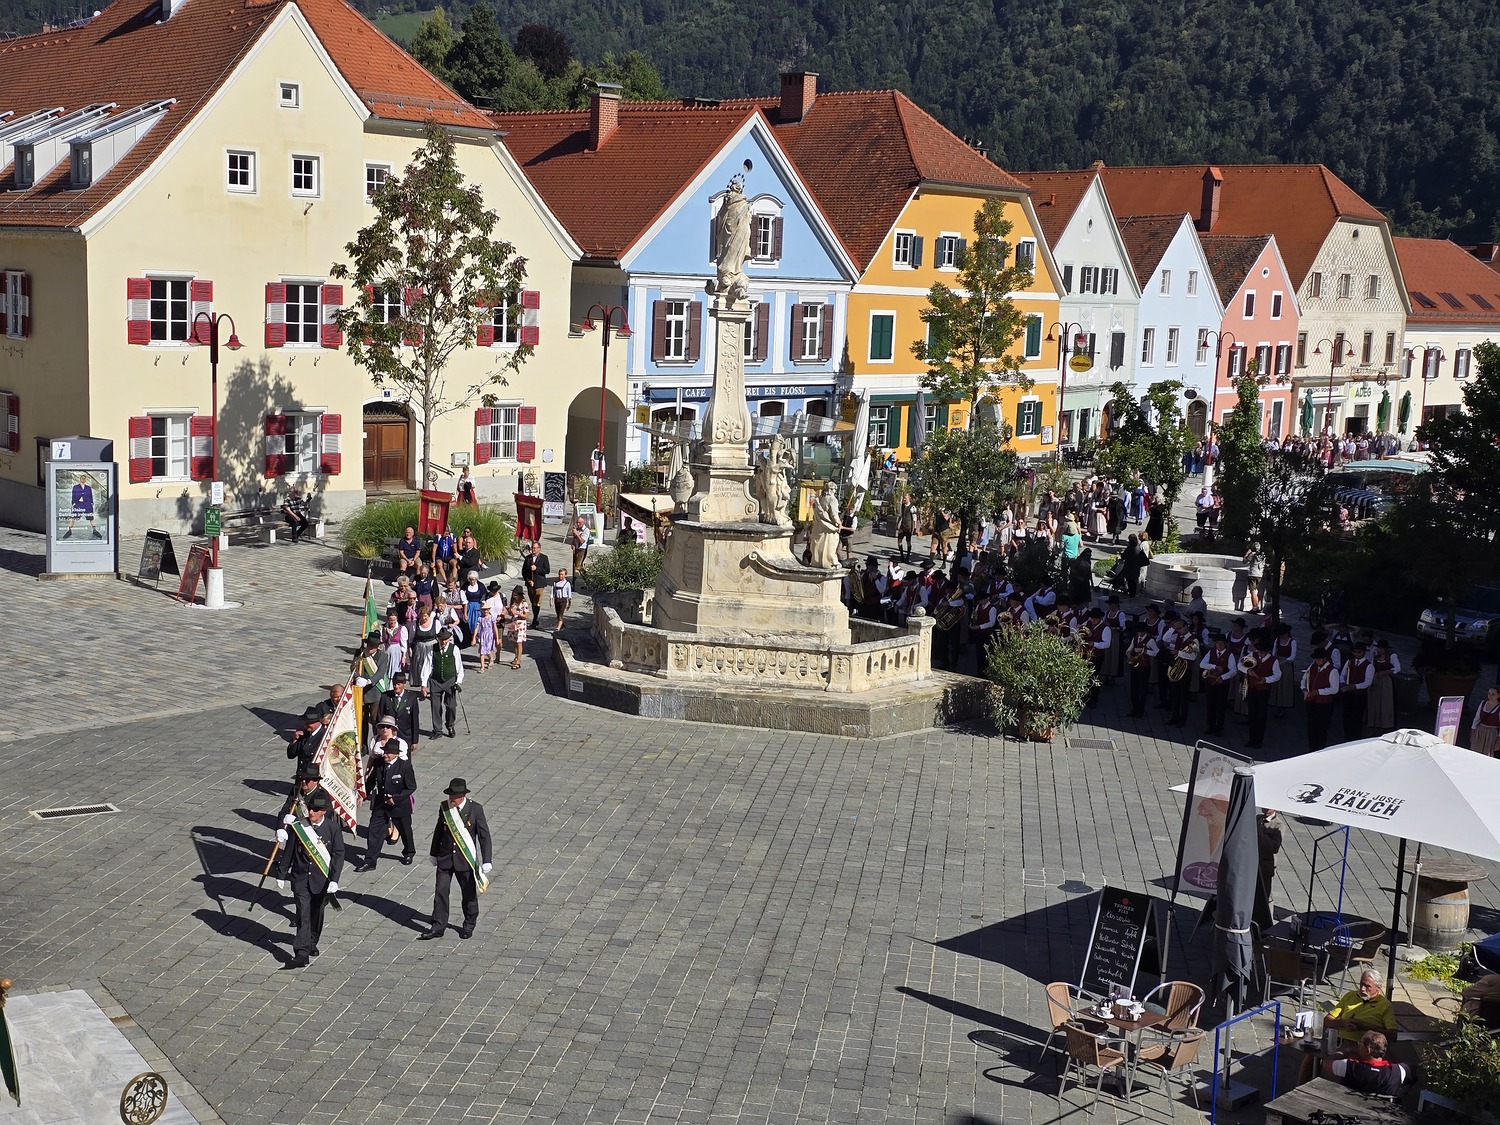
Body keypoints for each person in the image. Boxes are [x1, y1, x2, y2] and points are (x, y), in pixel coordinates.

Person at [419, 778, 493, 941]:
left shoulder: (475, 809)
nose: (451, 799)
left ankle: (469, 924)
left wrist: (487, 859)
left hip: (464, 860)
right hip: (445, 857)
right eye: (450, 795)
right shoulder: (445, 808)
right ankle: (438, 926)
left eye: (454, 796)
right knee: (441, 892)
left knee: (468, 894)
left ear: (462, 796)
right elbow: (439, 831)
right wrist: (433, 853)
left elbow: (484, 836)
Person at [276, 790, 343, 968]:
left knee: (316, 913)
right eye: (310, 808)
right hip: (300, 878)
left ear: (323, 811)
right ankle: (301, 952)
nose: (311, 812)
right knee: (302, 914)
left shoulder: (333, 828)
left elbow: (338, 855)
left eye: (315, 810)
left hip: (321, 880)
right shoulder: (300, 827)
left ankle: (312, 941)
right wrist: (281, 873)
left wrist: (334, 879)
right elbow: (289, 851)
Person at [357, 731, 415, 870]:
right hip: (381, 804)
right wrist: (363, 795)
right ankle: (370, 861)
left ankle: (409, 853)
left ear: (395, 754)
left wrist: (395, 799)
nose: (385, 755)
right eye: (384, 752)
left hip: (399, 806)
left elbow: (411, 787)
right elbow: (371, 782)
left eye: (388, 753)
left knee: (405, 830)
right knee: (374, 831)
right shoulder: (379, 764)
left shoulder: (404, 766)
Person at [1321, 1031, 1408, 1095]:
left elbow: (1327, 1063)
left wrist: (1347, 1051)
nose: (1358, 1046)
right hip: (1379, 1112)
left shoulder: (1351, 1067)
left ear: (1368, 1050)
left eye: (1360, 1044)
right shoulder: (1398, 1071)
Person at [1325, 970, 1398, 1045]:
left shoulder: (1385, 1005)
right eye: (1361, 984)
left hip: (1366, 1046)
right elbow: (1327, 1020)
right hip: (1341, 1042)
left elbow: (1393, 1035)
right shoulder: (1350, 996)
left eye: (1367, 986)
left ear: (1378, 987)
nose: (1362, 989)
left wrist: (1365, 1027)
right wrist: (1343, 1023)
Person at [428, 629, 465, 738]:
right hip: (435, 680)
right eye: (441, 640)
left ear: (449, 639)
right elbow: (427, 665)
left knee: (451, 706)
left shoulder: (454, 649)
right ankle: (437, 730)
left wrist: (458, 681)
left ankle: (450, 725)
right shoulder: (433, 649)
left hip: (450, 680)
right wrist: (424, 684)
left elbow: (459, 666)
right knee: (435, 706)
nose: (443, 642)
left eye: (445, 640)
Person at [1302, 649, 1340, 752]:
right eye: (1316, 659)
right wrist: (1303, 688)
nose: (1317, 661)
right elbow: (1304, 679)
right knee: (1311, 725)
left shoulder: (1332, 671)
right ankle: (1312, 748)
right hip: (1311, 702)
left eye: (1318, 659)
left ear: (1325, 659)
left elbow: (1335, 689)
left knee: (1322, 728)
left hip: (1324, 704)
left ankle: (1320, 749)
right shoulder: (1312, 666)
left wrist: (1319, 692)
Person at [378, 670, 422, 755]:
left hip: (405, 736)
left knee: (405, 759)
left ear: (404, 684)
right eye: (394, 684)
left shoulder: (411, 697)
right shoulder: (385, 696)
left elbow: (415, 720)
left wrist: (415, 741)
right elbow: (380, 716)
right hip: (389, 736)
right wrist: (380, 735)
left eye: (398, 684)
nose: (396, 687)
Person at [1340, 641, 1374, 741]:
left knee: (1357, 718)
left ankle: (1356, 738)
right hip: (1349, 694)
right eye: (1354, 652)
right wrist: (1342, 682)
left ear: (1364, 652)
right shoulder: (1349, 662)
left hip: (1360, 696)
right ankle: (1347, 737)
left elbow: (1368, 682)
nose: (1356, 654)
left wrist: (1354, 686)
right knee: (1346, 716)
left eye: (1359, 652)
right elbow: (1342, 674)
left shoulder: (1369, 666)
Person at [1366, 639, 1401, 732]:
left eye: (1382, 648)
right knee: (1374, 701)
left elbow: (1397, 668)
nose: (1380, 650)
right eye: (1379, 648)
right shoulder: (1375, 657)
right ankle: (1374, 722)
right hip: (1376, 680)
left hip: (1386, 682)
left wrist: (1386, 672)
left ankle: (1386, 723)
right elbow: (1371, 667)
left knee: (1385, 702)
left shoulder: (1392, 656)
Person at [286, 706, 326, 777]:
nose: (306, 725)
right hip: (301, 775)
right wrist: (295, 740)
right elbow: (291, 755)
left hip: (312, 777)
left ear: (318, 722)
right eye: (305, 722)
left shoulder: (324, 736)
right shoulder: (303, 733)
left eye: (309, 723)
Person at [519, 539, 550, 626]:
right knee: (533, 602)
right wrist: (528, 580)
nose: (533, 550)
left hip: (539, 583)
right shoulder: (528, 558)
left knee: (537, 602)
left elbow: (547, 570)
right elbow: (524, 571)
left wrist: (537, 569)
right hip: (530, 584)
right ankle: (535, 618)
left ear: (539, 548)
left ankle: (535, 619)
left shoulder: (544, 558)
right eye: (532, 548)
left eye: (535, 548)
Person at [1257, 808, 1283, 903]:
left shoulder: (1278, 825)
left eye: (1268, 808)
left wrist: (1262, 835)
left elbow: (1275, 848)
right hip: (1253, 862)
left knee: (1265, 895)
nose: (1266, 809)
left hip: (1265, 865)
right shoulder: (1258, 818)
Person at [504, 586, 528, 669]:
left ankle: (518, 661)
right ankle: (516, 657)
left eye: (516, 595)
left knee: (519, 642)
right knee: (514, 641)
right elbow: (511, 614)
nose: (514, 596)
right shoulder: (514, 603)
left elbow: (526, 616)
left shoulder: (524, 603)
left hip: (521, 624)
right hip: (514, 623)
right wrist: (510, 611)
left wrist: (518, 613)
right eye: (514, 594)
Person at [1473, 685, 1500, 757]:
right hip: (1480, 731)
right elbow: (1477, 719)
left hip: (1492, 734)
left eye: (1493, 694)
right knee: (1475, 752)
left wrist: (1498, 741)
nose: (1490, 696)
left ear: (1498, 695)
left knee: (1487, 753)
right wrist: (1473, 731)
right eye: (1489, 693)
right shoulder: (1483, 703)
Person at [1242, 541, 1266, 613]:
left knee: (1253, 592)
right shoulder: (1263, 555)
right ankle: (1257, 607)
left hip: (1253, 574)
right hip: (1260, 575)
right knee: (1255, 591)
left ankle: (1255, 608)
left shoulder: (1252, 554)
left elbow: (1244, 561)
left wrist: (1247, 554)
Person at [475, 600, 497, 671]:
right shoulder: (480, 618)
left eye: (487, 610)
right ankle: (482, 667)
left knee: (488, 650)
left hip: (490, 636)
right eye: (484, 610)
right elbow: (477, 628)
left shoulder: (491, 617)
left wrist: (497, 637)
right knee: (482, 651)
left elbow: (495, 627)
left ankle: (491, 658)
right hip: (482, 636)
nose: (485, 611)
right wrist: (474, 637)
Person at [895, 494, 917, 562]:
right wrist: (897, 524)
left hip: (908, 527)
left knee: (908, 542)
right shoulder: (902, 506)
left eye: (905, 498)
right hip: (902, 526)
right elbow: (901, 515)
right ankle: (902, 556)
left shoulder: (912, 507)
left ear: (909, 498)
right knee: (899, 541)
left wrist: (914, 528)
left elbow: (914, 518)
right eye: (904, 498)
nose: (904, 499)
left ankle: (907, 557)